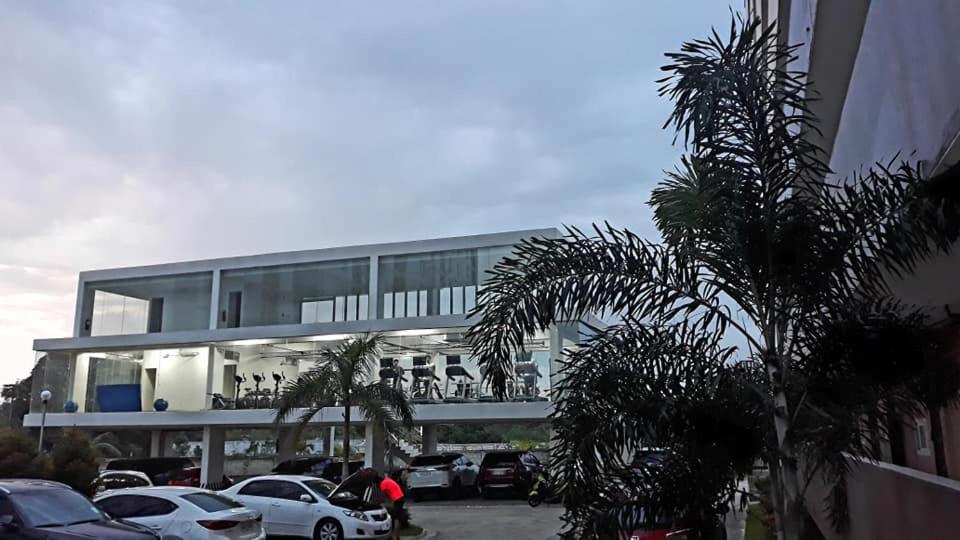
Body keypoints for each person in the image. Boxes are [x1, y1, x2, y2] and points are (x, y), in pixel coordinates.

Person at [361, 468, 405, 540]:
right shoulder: (386, 480)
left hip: (398, 499)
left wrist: (375, 503)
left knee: (396, 518)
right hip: (400, 497)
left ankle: (394, 536)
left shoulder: (383, 484)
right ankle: (396, 535)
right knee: (397, 517)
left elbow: (382, 498)